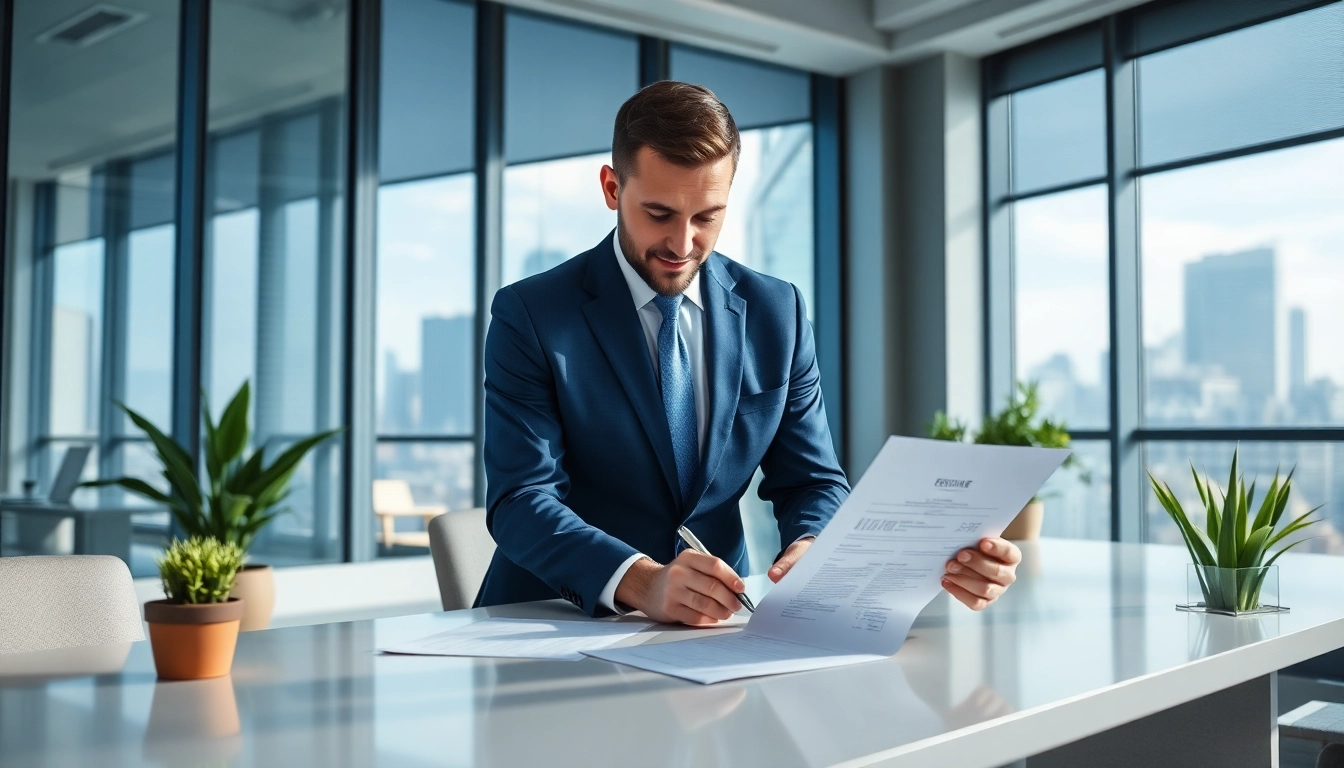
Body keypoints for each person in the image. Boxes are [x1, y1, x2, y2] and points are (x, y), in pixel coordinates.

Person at [475, 80, 1021, 624]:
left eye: (707, 216)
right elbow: (521, 499)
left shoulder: (775, 311)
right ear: (613, 189)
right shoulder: (532, 314)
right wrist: (642, 582)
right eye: (660, 213)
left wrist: (813, 549)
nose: (683, 245)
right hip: (547, 623)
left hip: (717, 629)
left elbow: (812, 479)